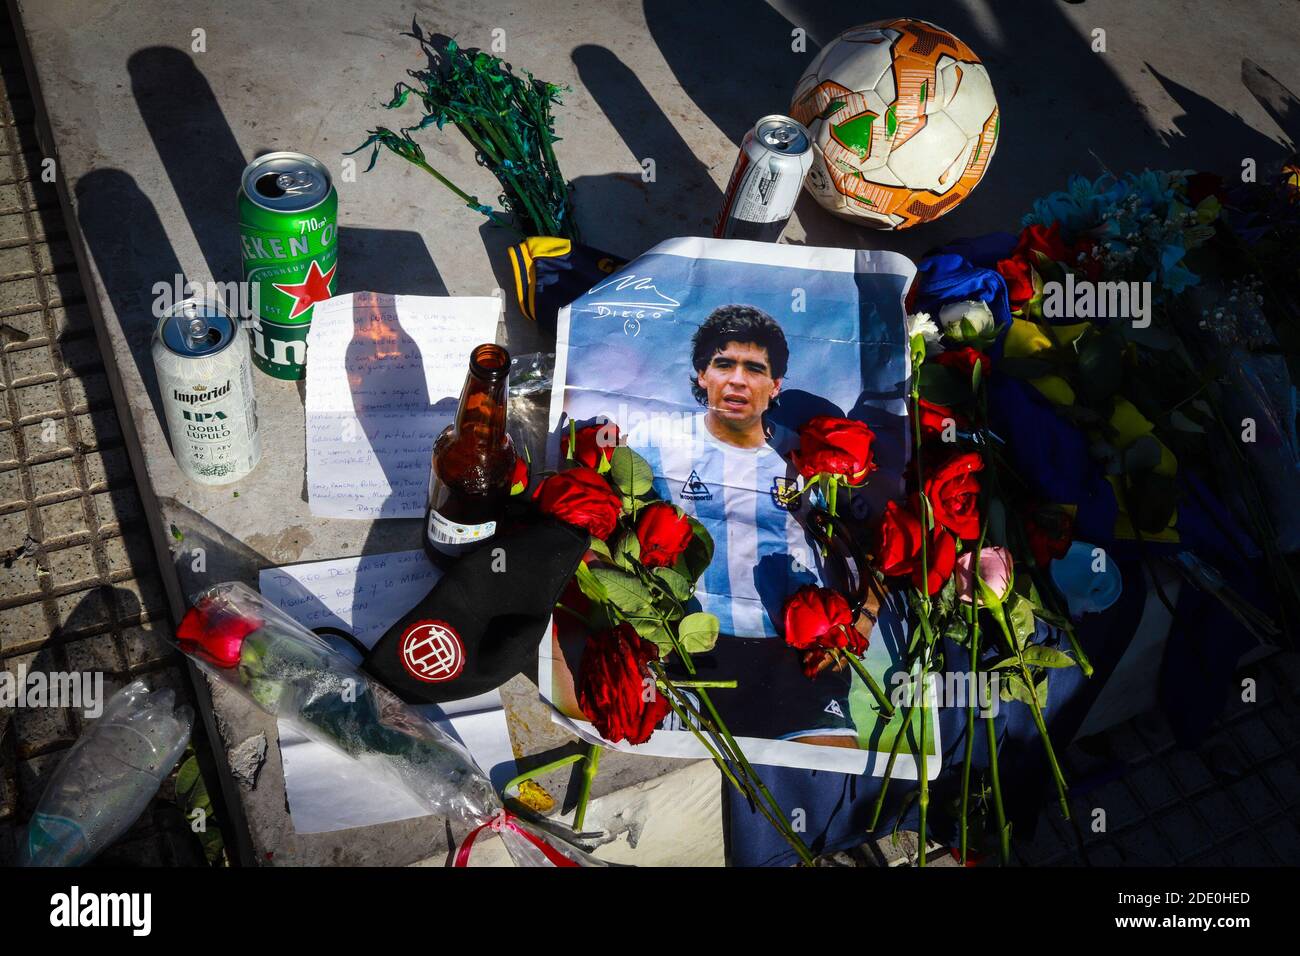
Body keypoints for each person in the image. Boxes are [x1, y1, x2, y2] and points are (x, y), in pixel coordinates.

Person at [625, 304, 859, 745]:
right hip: (685, 639)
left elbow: (865, 543)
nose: (737, 380)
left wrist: (862, 619)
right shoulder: (653, 441)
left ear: (775, 386)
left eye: (754, 368)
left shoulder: (809, 456)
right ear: (702, 375)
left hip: (793, 647)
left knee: (834, 780)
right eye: (723, 364)